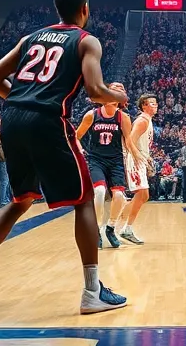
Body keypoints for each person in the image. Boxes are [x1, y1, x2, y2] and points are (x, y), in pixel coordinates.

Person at [0, 0, 127, 315]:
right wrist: (118, 96)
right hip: (47, 121)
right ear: (85, 9)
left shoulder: (31, 38)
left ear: (57, 9)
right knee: (85, 199)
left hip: (12, 119)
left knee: (21, 199)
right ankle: (93, 292)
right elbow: (95, 91)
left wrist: (23, 101)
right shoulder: (87, 40)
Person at [75, 84, 140, 248]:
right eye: (114, 91)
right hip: (96, 159)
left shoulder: (123, 117)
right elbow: (77, 136)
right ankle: (96, 229)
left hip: (116, 160)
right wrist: (80, 149)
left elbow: (128, 141)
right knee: (99, 191)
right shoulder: (92, 115)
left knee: (119, 196)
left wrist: (138, 156)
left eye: (120, 92)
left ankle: (110, 227)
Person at [113, 94, 156, 244]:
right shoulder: (142, 121)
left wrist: (147, 157)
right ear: (143, 106)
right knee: (142, 193)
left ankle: (122, 223)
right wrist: (137, 156)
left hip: (141, 158)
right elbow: (129, 139)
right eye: (151, 103)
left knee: (144, 196)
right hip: (135, 159)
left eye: (156, 104)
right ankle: (121, 226)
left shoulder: (148, 120)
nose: (155, 106)